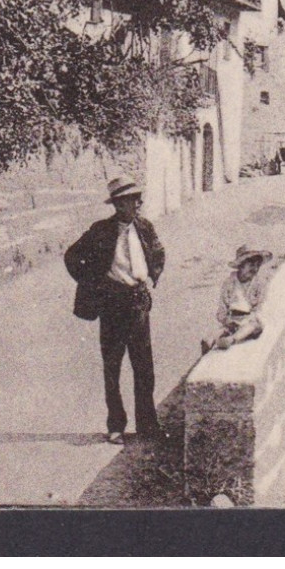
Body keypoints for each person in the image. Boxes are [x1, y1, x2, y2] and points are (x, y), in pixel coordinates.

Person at [64, 177, 166, 444]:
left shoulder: (145, 228)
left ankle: (147, 425)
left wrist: (152, 276)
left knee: (144, 367)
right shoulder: (101, 230)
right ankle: (116, 426)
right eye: (126, 202)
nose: (134, 206)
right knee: (113, 367)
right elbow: (72, 257)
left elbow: (158, 252)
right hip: (112, 305)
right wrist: (93, 283)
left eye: (135, 200)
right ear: (117, 205)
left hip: (138, 304)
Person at [204, 246, 273, 353]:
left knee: (252, 326)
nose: (254, 269)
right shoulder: (229, 283)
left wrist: (252, 317)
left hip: (249, 318)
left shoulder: (258, 284)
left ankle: (231, 340)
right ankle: (211, 340)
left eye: (257, 265)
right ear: (240, 266)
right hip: (233, 318)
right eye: (251, 265)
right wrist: (226, 320)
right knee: (223, 330)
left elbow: (260, 306)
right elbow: (223, 305)